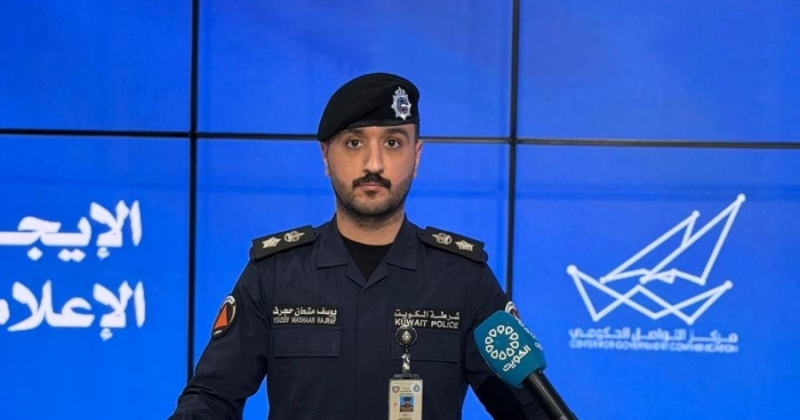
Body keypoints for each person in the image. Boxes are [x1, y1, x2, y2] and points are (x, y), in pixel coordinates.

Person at [168, 72, 546, 420]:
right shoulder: (274, 273)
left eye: (393, 143)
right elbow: (213, 398)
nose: (374, 164)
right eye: (354, 142)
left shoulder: (463, 279)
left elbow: (529, 409)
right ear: (325, 156)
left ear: (416, 156)